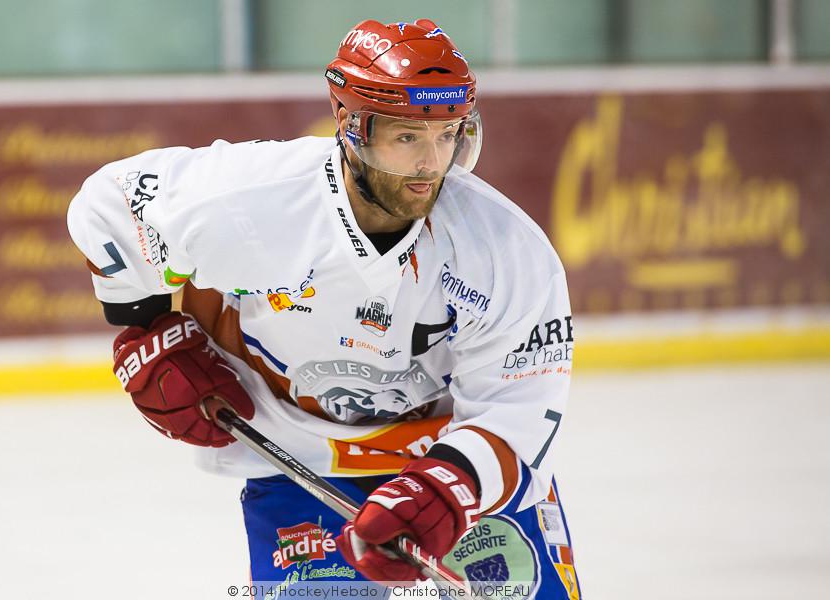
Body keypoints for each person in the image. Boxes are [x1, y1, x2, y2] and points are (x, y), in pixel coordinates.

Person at [67, 18, 581, 599]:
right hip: (297, 454)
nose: (430, 164)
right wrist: (147, 330)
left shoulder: (507, 250)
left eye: (447, 136)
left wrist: (445, 489)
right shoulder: (249, 198)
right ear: (350, 124)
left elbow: (518, 411)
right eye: (407, 138)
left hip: (446, 458)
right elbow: (110, 205)